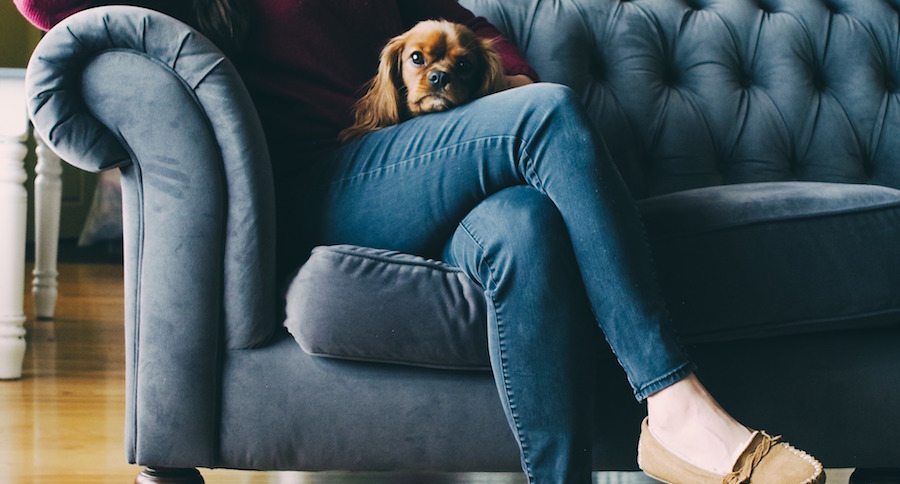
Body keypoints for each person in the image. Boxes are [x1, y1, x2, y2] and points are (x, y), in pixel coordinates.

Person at [15, 1, 824, 483]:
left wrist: (478, 94)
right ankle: (675, 406)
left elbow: (478, 32)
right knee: (547, 112)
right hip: (328, 183)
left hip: (427, 166)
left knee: (527, 226)